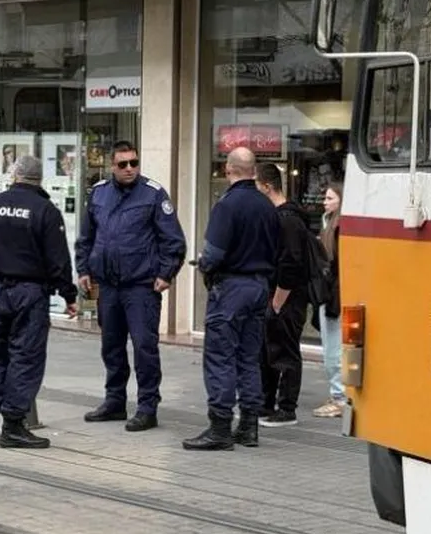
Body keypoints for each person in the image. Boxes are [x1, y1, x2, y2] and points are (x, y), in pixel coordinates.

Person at [0, 155, 78, 449]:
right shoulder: (45, 210)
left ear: (14, 176)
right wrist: (69, 295)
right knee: (25, 357)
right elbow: (58, 260)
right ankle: (13, 425)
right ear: (39, 180)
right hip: (30, 293)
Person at [75, 141, 187, 432]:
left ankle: (147, 407)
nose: (129, 169)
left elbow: (173, 240)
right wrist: (83, 268)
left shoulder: (153, 194)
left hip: (141, 287)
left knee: (144, 348)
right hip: (108, 286)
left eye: (134, 163)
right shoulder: (99, 193)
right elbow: (86, 236)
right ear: (112, 165)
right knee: (111, 346)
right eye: (123, 164)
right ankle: (114, 401)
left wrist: (167, 274)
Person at [183, 147, 280, 451]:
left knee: (220, 356)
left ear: (229, 170)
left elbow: (213, 254)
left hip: (231, 288)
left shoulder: (227, 205)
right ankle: (249, 426)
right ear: (253, 171)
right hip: (259, 287)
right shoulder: (267, 206)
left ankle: (220, 427)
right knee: (249, 357)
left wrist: (204, 265)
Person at [255, 163, 314, 428]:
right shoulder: (279, 216)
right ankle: (266, 403)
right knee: (268, 350)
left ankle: (286, 408)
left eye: (256, 186)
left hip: (287, 296)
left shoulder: (288, 220)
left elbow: (291, 263)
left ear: (267, 187)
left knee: (286, 351)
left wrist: (278, 301)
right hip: (275, 294)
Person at [314, 182, 345, 418]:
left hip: (333, 294)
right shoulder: (329, 224)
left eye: (330, 198)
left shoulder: (337, 227)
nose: (325, 202)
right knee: (333, 346)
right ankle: (339, 394)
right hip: (331, 292)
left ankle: (339, 396)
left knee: (333, 348)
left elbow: (334, 264)